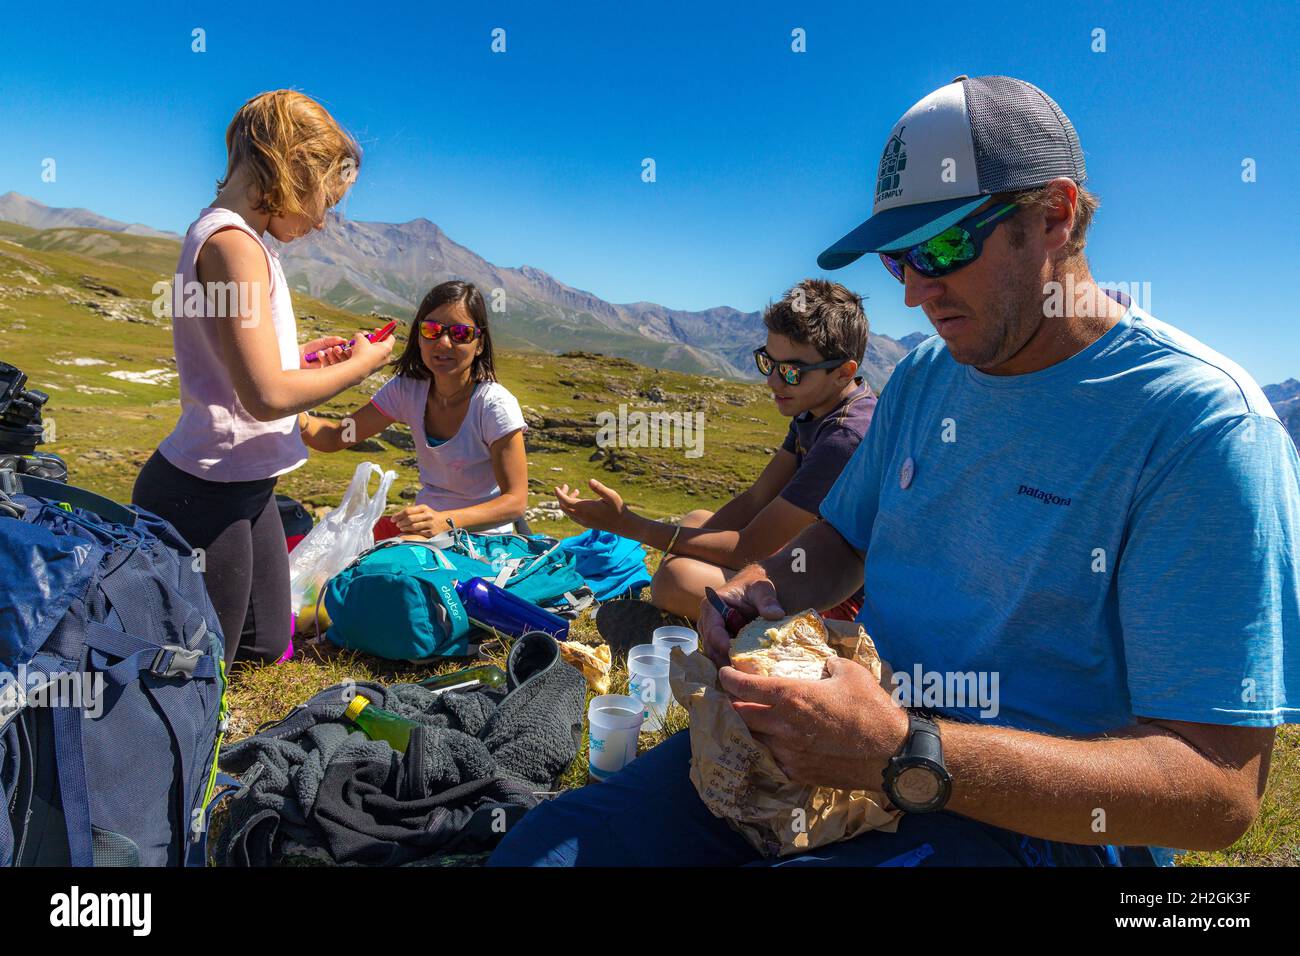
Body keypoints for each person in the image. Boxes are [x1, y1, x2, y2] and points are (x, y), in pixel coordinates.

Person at [490, 74, 1300, 866]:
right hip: (845, 744)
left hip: (1032, 830)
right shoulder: (925, 375)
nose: (916, 291)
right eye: (895, 260)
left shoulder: (1200, 427)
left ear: (1053, 216)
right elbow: (843, 538)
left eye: (943, 246)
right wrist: (764, 589)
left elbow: (1217, 791)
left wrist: (908, 753)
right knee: (541, 853)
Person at [133, 90, 393, 667]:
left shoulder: (234, 239)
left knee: (268, 642)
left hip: (249, 480)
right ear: (289, 166)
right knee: (204, 664)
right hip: (206, 488)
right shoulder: (233, 245)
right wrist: (361, 367)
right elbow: (266, 395)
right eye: (323, 198)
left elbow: (240, 366)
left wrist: (300, 359)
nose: (322, 219)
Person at [555, 279, 875, 620]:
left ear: (843, 372)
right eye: (768, 363)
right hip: (804, 558)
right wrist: (682, 544)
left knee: (676, 579)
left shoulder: (845, 437)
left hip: (839, 596)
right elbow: (756, 498)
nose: (773, 381)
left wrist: (632, 526)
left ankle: (778, 629)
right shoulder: (817, 406)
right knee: (697, 523)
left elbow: (750, 547)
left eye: (792, 372)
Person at [299, 280, 529, 536]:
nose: (443, 342)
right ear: (418, 337)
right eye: (431, 330)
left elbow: (516, 502)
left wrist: (445, 521)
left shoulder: (494, 405)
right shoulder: (407, 390)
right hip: (423, 530)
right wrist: (298, 419)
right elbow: (337, 437)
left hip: (485, 540)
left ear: (480, 344)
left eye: (460, 334)